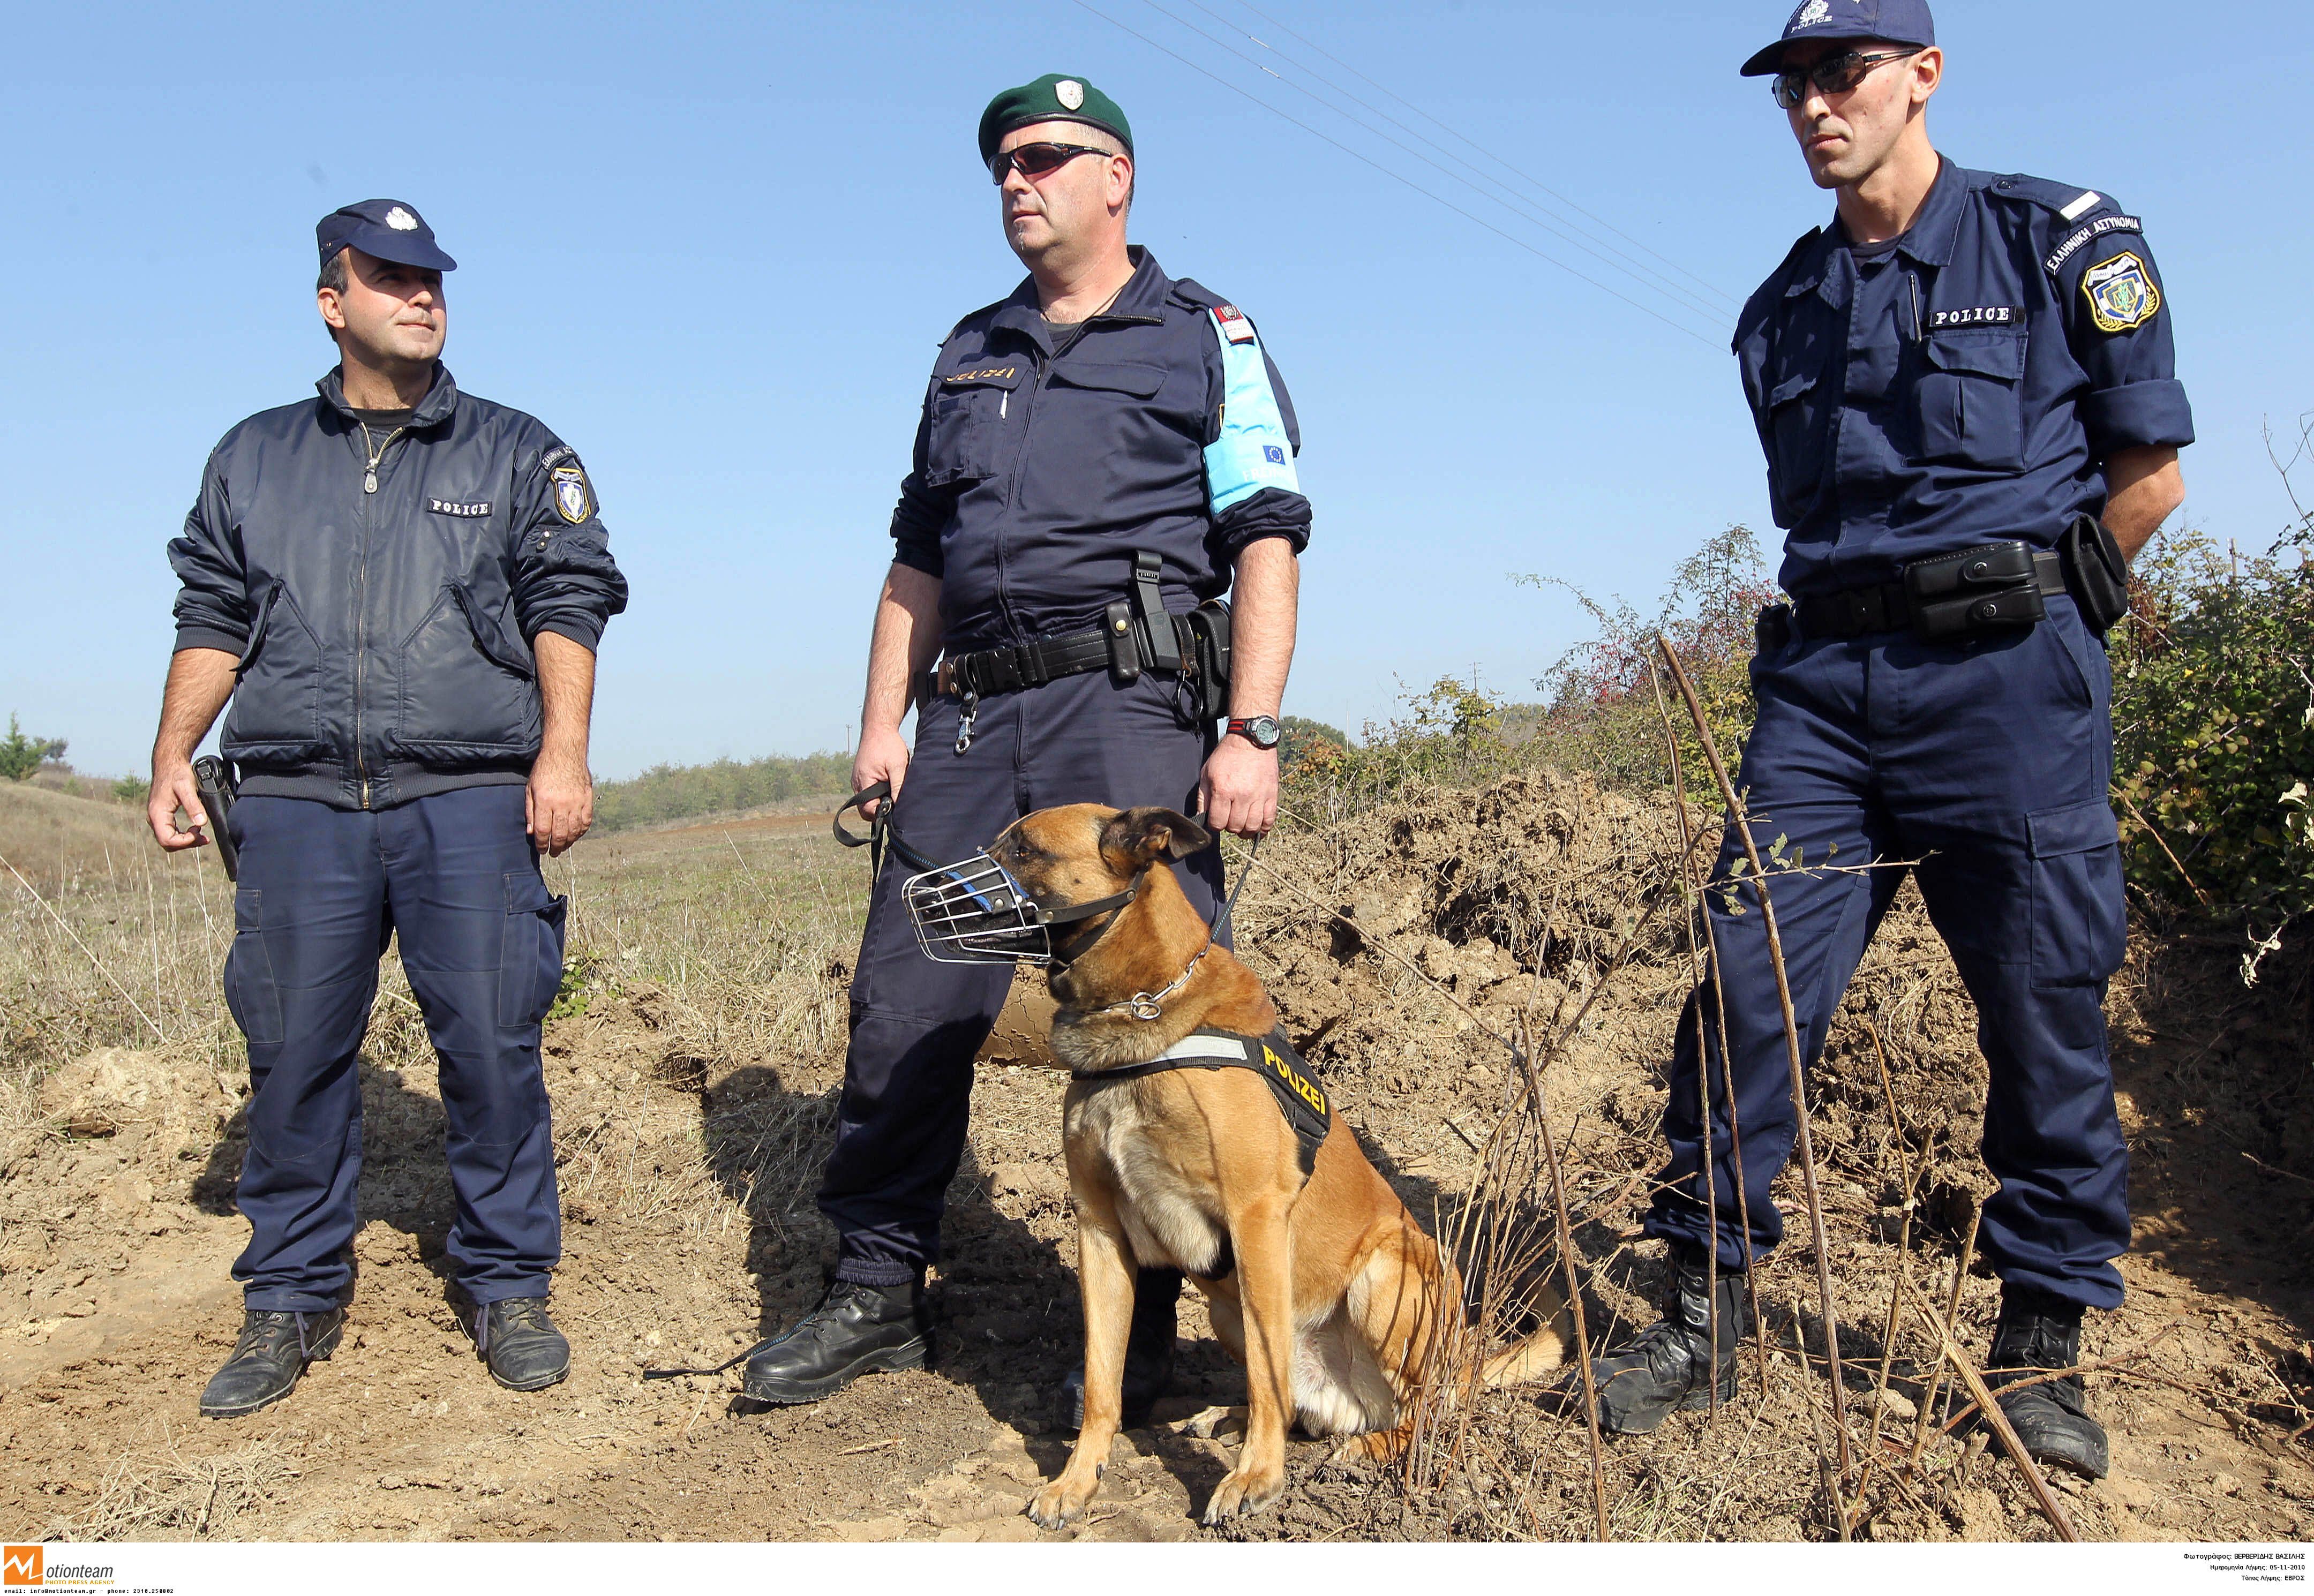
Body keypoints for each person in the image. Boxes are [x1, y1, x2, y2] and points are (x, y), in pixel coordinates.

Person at [1587, 0, 2190, 1481]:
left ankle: (2043, 1336)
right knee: (1747, 974)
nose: (1813, 103)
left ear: (1923, 77)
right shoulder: (1778, 308)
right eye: (1792, 81)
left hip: (2007, 684)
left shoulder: (2059, 241)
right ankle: (1706, 1297)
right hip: (1823, 693)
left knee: (2042, 1000)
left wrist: (2051, 612)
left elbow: (2150, 473)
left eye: (1841, 73)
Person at [737, 74, 1309, 1419]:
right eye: (1002, 162)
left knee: (1151, 1016)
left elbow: (1267, 537)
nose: (1017, 179)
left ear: (1118, 178)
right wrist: (883, 719)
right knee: (909, 997)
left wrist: (1253, 730)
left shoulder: (1205, 334)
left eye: (1048, 156)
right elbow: (916, 553)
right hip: (972, 719)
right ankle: (878, 1286)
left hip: (1127, 713)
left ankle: (1147, 1330)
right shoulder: (969, 349)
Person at [152, 199, 629, 1418]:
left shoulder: (519, 450)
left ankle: (509, 1282)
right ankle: (292, 1293)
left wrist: (561, 754)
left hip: (469, 790)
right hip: (299, 799)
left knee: (489, 1043)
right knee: (296, 1051)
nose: (421, 294)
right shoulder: (254, 455)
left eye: (432, 277)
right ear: (332, 302)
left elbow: (568, 598)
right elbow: (213, 613)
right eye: (390, 276)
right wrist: (170, 755)